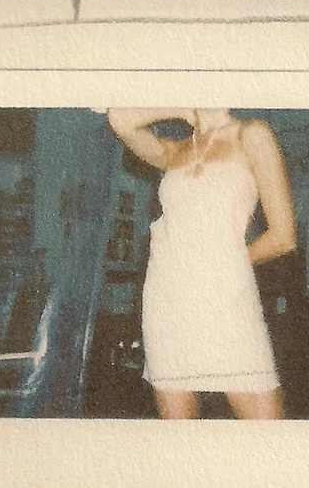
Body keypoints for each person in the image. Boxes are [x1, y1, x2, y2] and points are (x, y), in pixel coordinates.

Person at [107, 108, 296, 420]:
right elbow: (119, 119)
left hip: (225, 298)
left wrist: (218, 266)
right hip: (167, 300)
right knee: (180, 437)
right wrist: (185, 109)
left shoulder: (250, 134)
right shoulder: (174, 150)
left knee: (267, 435)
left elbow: (283, 237)